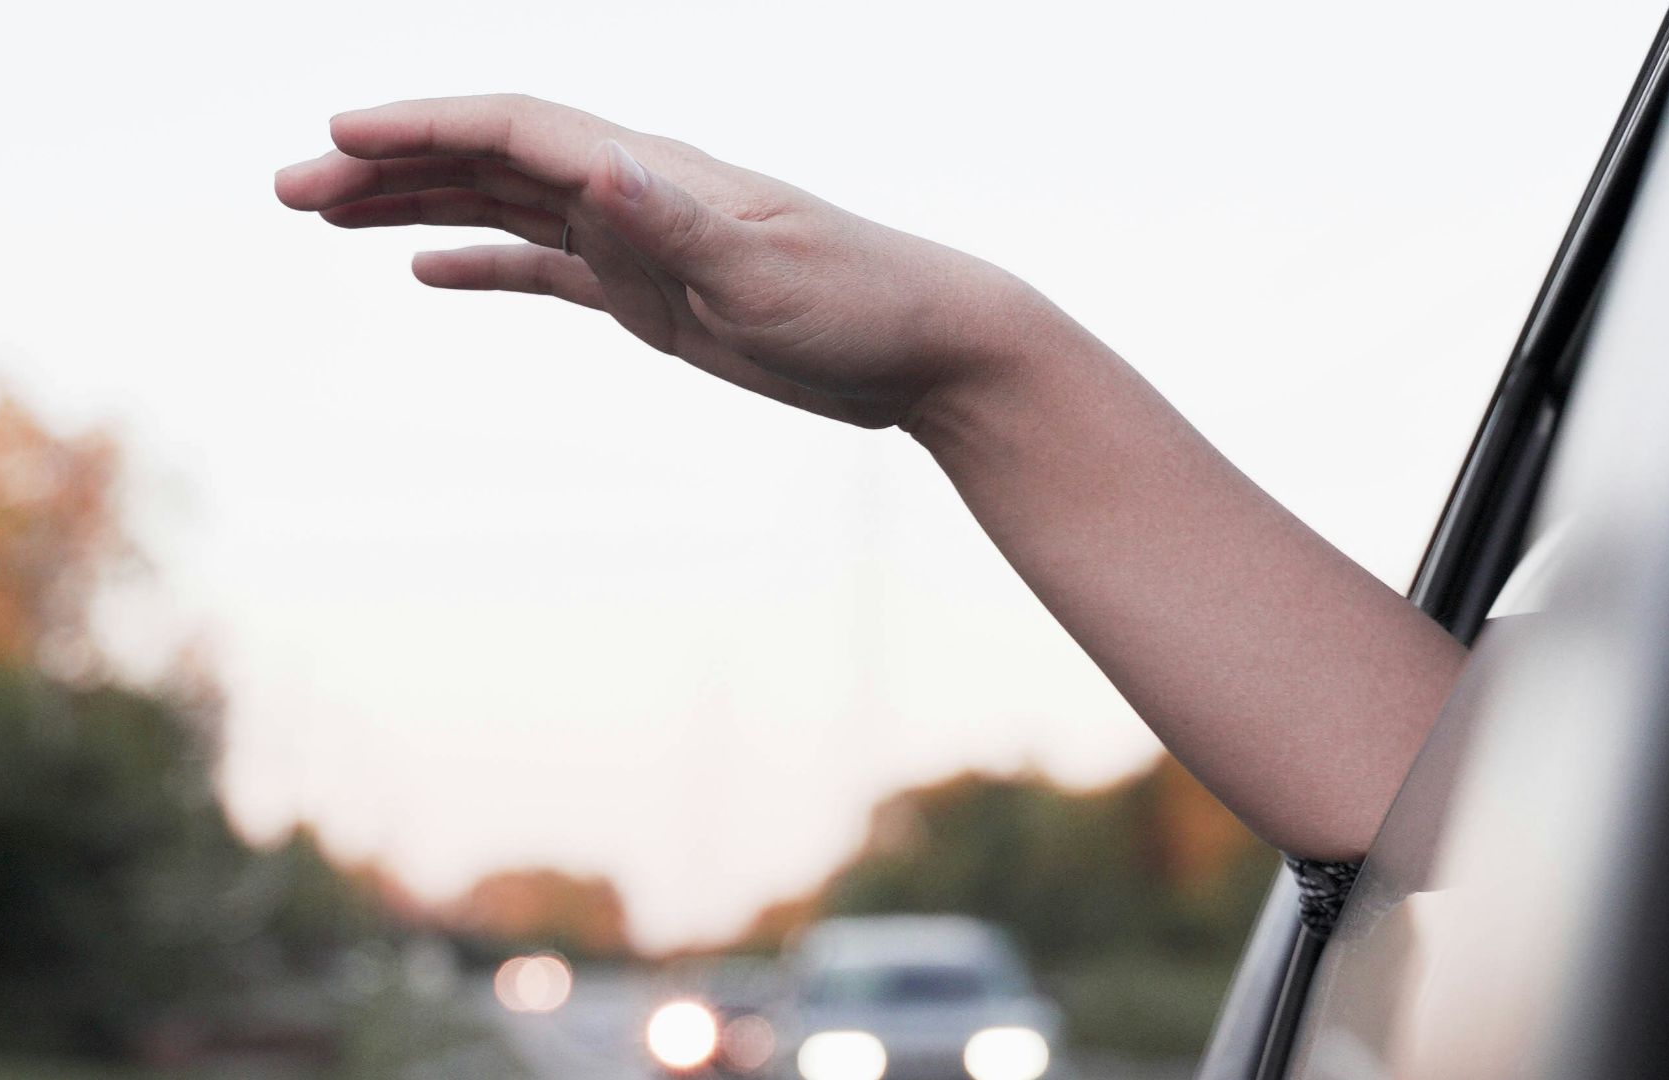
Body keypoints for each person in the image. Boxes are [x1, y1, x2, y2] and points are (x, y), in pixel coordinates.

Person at [275, 94, 1468, 872]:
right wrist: (965, 370)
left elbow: (1466, 831)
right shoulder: (1534, 826)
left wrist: (968, 364)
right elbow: (1467, 821)